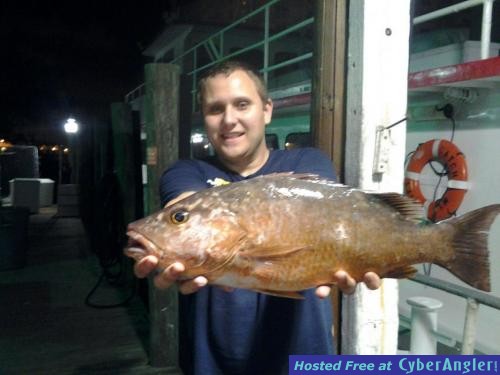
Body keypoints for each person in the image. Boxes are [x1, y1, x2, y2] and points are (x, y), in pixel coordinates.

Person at [134, 60, 381, 375]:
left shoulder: (308, 160)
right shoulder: (187, 171)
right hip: (214, 363)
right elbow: (187, 204)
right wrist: (177, 227)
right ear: (204, 119)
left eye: (241, 104)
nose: (229, 119)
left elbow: (325, 215)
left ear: (266, 110)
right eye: (215, 109)